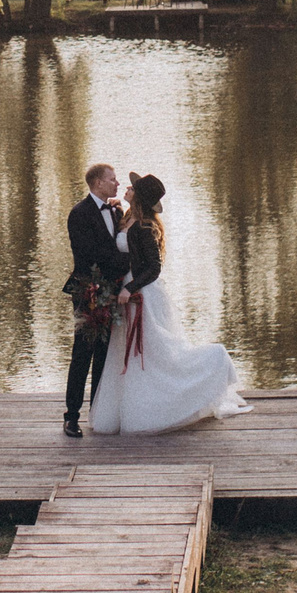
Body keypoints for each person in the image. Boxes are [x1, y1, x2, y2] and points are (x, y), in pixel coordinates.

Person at [89, 172, 251, 435]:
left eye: (133, 187)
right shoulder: (126, 218)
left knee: (152, 353)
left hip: (143, 294)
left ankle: (213, 362)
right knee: (127, 355)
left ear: (139, 197)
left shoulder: (144, 227)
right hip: (126, 293)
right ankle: (127, 410)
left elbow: (154, 268)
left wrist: (130, 288)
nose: (127, 188)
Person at [61, 162, 130, 437]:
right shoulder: (79, 214)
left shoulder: (115, 211)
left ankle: (97, 413)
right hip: (88, 291)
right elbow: (91, 255)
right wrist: (131, 263)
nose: (117, 184)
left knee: (104, 353)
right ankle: (72, 416)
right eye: (112, 180)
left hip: (111, 290)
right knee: (82, 353)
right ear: (98, 183)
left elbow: (118, 240)